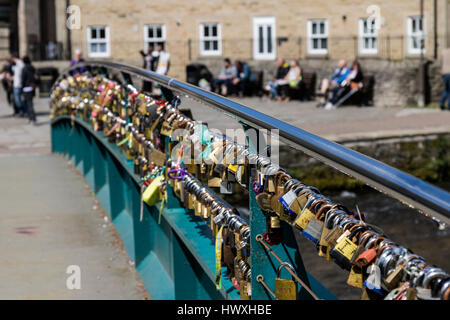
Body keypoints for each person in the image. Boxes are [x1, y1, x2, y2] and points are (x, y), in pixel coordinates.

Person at [21, 56, 39, 125]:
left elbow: (23, 78)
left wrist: (22, 87)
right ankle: (30, 118)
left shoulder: (24, 68)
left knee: (29, 104)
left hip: (26, 87)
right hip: (32, 86)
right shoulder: (32, 68)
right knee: (30, 103)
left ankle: (32, 118)